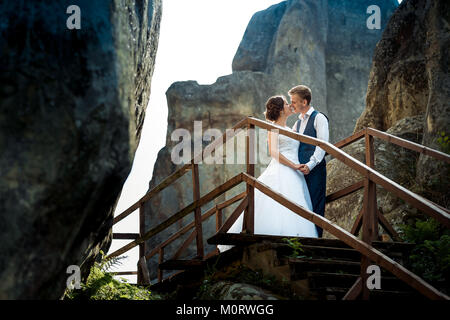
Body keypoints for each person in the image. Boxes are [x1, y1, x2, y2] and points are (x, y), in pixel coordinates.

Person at [218, 96, 318, 253]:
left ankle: (297, 241)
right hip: (283, 168)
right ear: (279, 109)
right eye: (286, 104)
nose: (289, 105)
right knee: (277, 200)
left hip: (295, 172)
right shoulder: (273, 129)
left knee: (295, 201)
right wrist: (293, 165)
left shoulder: (292, 129)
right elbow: (273, 152)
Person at [289, 85, 329, 238]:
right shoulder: (297, 123)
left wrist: (310, 165)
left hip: (315, 170)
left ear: (304, 102)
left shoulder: (319, 118)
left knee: (315, 205)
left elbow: (322, 145)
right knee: (302, 204)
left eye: (294, 102)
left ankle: (316, 242)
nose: (292, 105)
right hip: (300, 171)